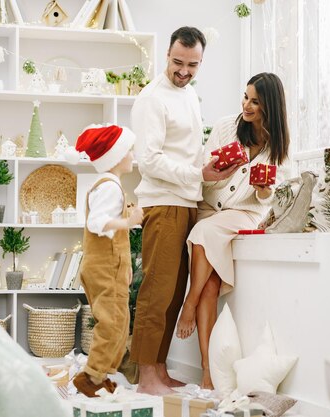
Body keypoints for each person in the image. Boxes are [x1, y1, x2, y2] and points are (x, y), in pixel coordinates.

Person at [130, 26, 238, 396]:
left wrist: (213, 170)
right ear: (167, 56)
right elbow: (149, 160)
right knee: (156, 292)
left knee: (176, 291)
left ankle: (159, 370)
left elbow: (189, 152)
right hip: (162, 203)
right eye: (178, 62)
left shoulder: (190, 95)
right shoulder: (152, 99)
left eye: (193, 65)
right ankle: (146, 377)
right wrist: (197, 173)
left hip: (188, 202)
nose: (184, 71)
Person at [175, 72, 292, 389]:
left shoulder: (278, 147)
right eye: (245, 97)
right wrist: (222, 170)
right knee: (210, 287)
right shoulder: (228, 126)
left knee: (202, 234)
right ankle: (208, 371)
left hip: (243, 213)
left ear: (269, 106)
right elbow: (205, 170)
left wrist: (265, 189)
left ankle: (189, 303)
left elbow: (269, 199)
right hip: (211, 208)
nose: (247, 105)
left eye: (255, 101)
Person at [71, 124, 144, 398]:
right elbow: (97, 222)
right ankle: (91, 376)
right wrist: (129, 220)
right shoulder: (110, 187)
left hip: (110, 266)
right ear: (115, 157)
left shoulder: (110, 186)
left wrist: (124, 269)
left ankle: (102, 373)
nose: (132, 156)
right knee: (112, 322)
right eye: (128, 151)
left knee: (119, 320)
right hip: (105, 266)